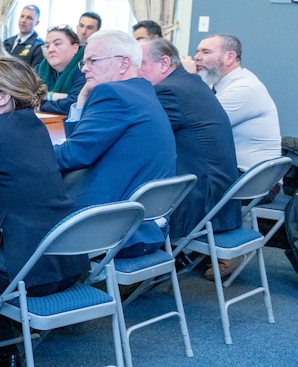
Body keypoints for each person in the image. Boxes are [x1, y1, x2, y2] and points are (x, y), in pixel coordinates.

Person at [0, 58, 87, 367]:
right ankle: (6, 351)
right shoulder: (36, 125)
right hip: (63, 263)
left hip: (21, 275)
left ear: (3, 97)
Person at [54, 30, 176, 256]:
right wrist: (81, 101)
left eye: (92, 60)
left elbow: (74, 155)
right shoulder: (141, 91)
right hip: (147, 225)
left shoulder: (113, 93)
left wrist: (28, 155)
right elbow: (81, 145)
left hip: (115, 228)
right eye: (84, 61)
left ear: (123, 64)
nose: (83, 68)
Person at [138, 38, 239, 240]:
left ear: (164, 63)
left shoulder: (167, 90)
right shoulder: (189, 82)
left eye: (140, 64)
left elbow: (140, 139)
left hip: (199, 203)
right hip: (218, 199)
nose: (134, 72)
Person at [190, 34, 282, 171]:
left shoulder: (244, 89)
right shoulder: (220, 85)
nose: (197, 57)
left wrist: (188, 79)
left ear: (230, 57)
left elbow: (193, 127)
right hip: (233, 172)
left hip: (247, 180)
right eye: (197, 52)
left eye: (205, 52)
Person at [35, 25, 86, 115]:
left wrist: (44, 100)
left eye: (57, 44)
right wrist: (59, 97)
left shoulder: (85, 69)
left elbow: (74, 103)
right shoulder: (39, 69)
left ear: (75, 48)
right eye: (47, 46)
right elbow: (24, 98)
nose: (50, 50)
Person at [3, 4, 45, 68]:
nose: (23, 20)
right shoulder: (7, 42)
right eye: (22, 16)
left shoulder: (38, 46)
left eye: (29, 18)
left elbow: (35, 74)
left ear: (37, 22)